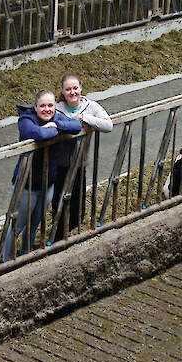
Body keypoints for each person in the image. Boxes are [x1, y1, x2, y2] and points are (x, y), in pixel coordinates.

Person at [1, 89, 83, 263]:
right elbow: (38, 134)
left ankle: (25, 257)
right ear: (35, 107)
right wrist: (54, 129)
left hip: (48, 183)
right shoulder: (26, 119)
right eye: (43, 106)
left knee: (34, 225)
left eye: (50, 105)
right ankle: (6, 261)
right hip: (26, 184)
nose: (47, 109)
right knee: (17, 225)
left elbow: (76, 126)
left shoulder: (56, 118)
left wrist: (55, 125)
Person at [52, 74, 113, 241]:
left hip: (80, 165)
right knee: (59, 205)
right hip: (59, 166)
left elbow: (108, 125)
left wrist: (85, 118)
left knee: (78, 211)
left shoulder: (90, 106)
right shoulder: (56, 108)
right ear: (62, 91)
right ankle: (56, 241)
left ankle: (65, 235)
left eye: (75, 88)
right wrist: (75, 124)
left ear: (81, 88)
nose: (72, 92)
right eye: (68, 89)